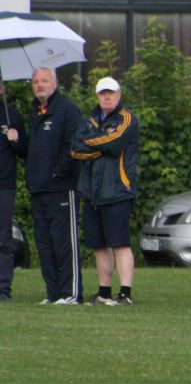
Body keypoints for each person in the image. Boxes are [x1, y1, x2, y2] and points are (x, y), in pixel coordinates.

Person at [70, 77, 141, 305]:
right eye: (102, 93)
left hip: (117, 190)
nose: (107, 97)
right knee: (99, 245)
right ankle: (104, 291)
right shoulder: (89, 120)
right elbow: (74, 150)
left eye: (110, 93)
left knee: (119, 242)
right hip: (92, 192)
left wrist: (91, 142)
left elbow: (115, 142)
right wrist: (100, 147)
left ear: (119, 95)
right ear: (97, 96)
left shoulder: (127, 119)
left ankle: (126, 293)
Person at [26, 67, 83, 305]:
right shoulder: (36, 112)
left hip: (61, 188)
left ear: (55, 83)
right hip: (38, 189)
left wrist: (58, 172)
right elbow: (32, 151)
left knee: (63, 242)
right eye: (36, 81)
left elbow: (75, 144)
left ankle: (70, 293)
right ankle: (53, 293)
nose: (40, 85)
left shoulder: (66, 109)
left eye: (44, 81)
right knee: (45, 243)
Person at [0, 81, 29, 303]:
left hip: (4, 184)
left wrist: (16, 140)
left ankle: (3, 289)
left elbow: (24, 151)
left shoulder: (12, 116)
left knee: (3, 238)